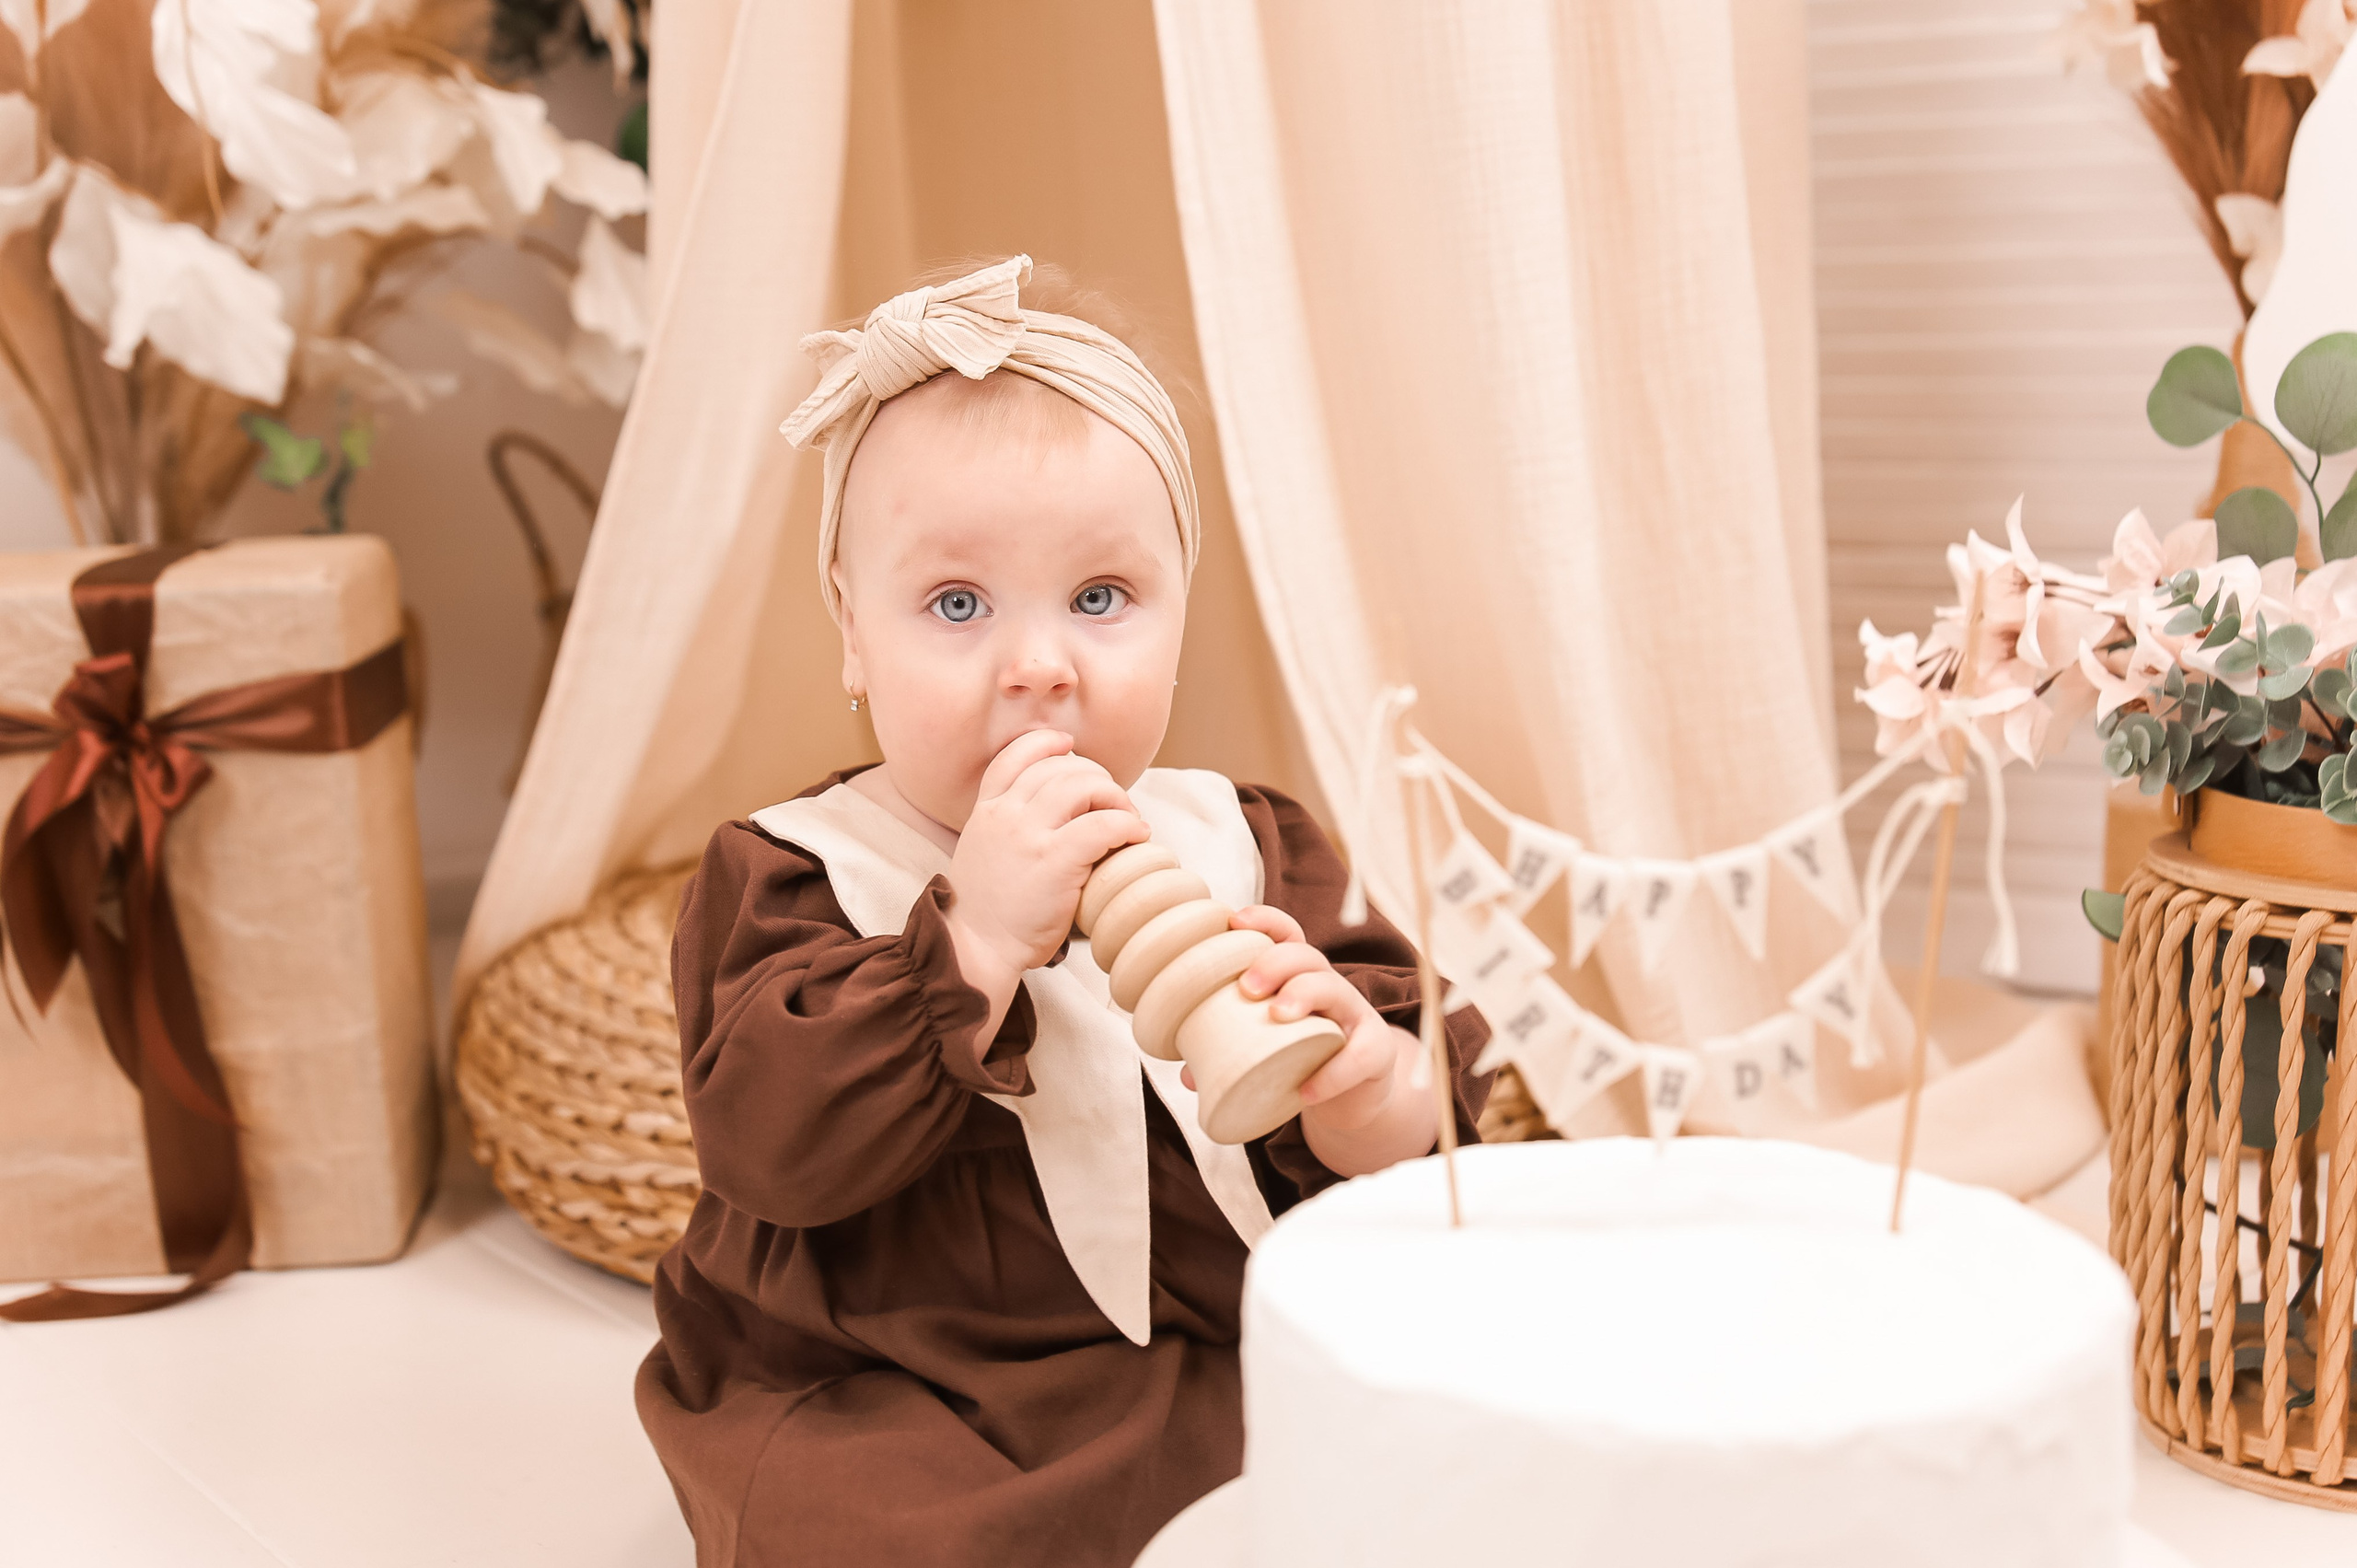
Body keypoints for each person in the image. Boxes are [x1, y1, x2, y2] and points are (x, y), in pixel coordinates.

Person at [635, 254, 1490, 1567]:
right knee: (863, 1526)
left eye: (1101, 600)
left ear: (1179, 615)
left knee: (1434, 1460)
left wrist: (1367, 1086)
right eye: (957, 605)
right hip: (894, 1378)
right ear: (854, 632)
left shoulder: (1246, 843)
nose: (1040, 667)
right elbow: (768, 1146)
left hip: (1203, 1347)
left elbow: (1426, 1133)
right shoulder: (799, 870)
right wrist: (972, 943)